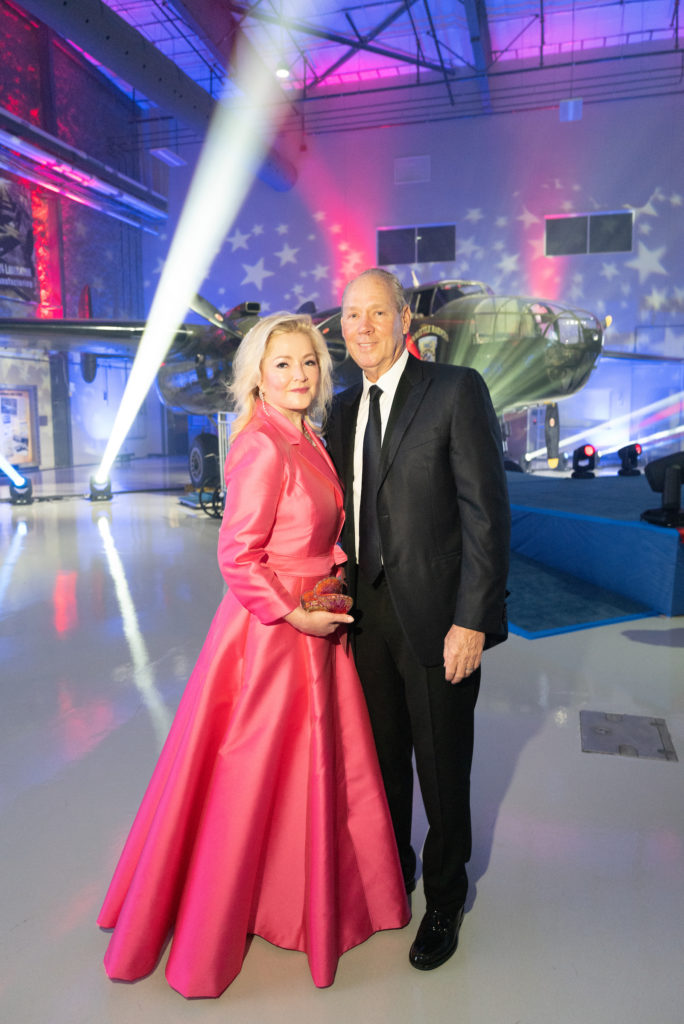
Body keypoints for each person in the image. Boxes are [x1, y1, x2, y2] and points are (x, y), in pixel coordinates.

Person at [97, 312, 409, 998]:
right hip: (272, 638)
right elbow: (237, 557)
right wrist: (296, 612)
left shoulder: (307, 437)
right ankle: (218, 921)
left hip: (315, 627)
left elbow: (317, 530)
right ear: (257, 378)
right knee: (250, 776)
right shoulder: (261, 446)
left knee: (310, 777)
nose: (298, 375)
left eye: (307, 363)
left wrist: (327, 582)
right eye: (282, 365)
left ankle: (290, 899)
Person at [325, 269, 510, 972]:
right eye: (350, 315)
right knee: (380, 766)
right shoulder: (340, 411)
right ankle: (392, 873)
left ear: (404, 318)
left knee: (441, 768)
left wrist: (473, 620)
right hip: (363, 620)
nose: (363, 326)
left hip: (438, 621)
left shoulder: (455, 390)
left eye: (377, 312)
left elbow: (486, 518)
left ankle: (443, 899)